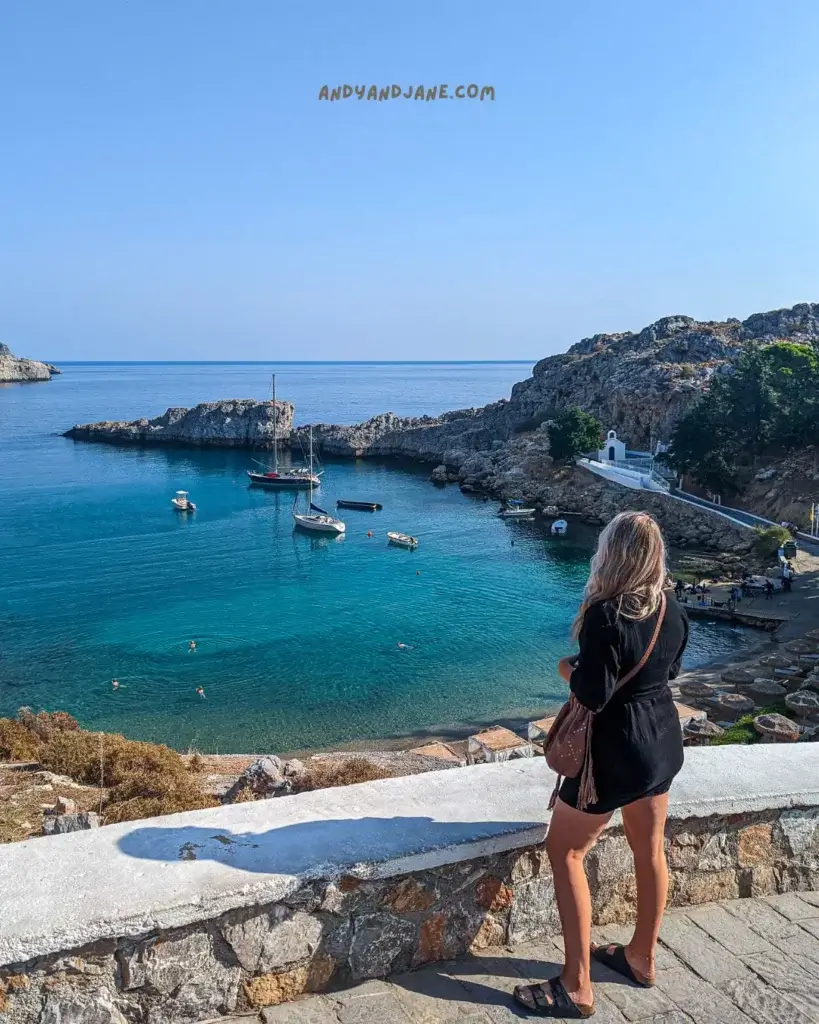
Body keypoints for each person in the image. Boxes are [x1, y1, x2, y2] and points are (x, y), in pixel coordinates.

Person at [513, 511, 688, 1018]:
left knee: (564, 850)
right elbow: (670, 669)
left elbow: (594, 693)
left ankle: (576, 985)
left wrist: (568, 668)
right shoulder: (673, 607)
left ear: (611, 555)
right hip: (660, 743)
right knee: (649, 848)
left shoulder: (606, 614)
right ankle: (641, 957)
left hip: (612, 754)